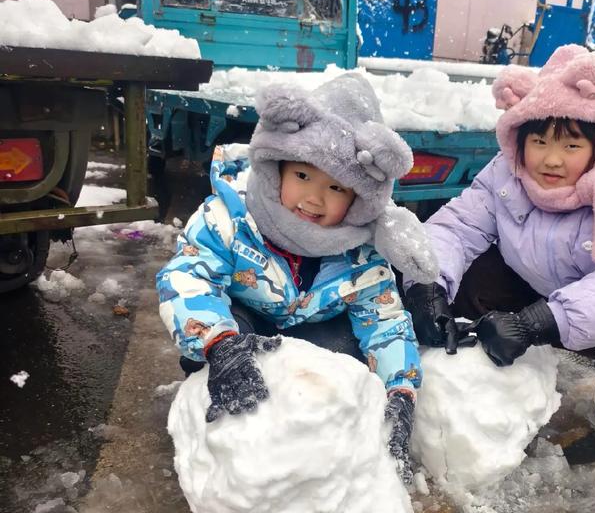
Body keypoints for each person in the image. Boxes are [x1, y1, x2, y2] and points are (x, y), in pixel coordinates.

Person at [403, 44, 595, 460]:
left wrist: (538, 323)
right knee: (471, 273)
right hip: (530, 281)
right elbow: (458, 226)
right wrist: (426, 287)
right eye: (539, 141)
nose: (551, 160)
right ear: (520, 138)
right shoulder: (507, 171)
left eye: (571, 147)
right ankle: (472, 362)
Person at [157, 73, 438, 482]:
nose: (314, 199)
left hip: (312, 332)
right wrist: (219, 342)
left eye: (336, 188)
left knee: (351, 359)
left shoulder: (361, 252)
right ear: (278, 169)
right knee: (213, 338)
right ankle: (218, 414)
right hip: (244, 323)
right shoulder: (231, 219)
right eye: (303, 176)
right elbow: (188, 275)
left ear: (359, 201)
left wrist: (401, 391)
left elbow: (386, 322)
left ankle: (317, 453)